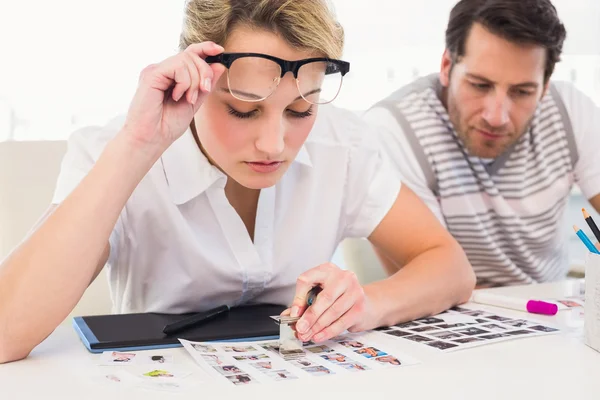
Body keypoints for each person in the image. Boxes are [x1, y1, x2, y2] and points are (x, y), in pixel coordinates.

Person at [0, 0, 475, 364]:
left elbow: (451, 267)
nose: (274, 144)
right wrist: (138, 146)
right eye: (243, 109)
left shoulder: (343, 143)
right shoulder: (115, 149)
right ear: (195, 79)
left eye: (300, 109)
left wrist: (365, 304)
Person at [365, 0, 600, 287]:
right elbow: (429, 280)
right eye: (479, 85)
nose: (497, 117)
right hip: (451, 316)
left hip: (556, 311)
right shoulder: (393, 131)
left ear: (545, 85)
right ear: (447, 65)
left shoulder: (570, 111)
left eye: (523, 92)